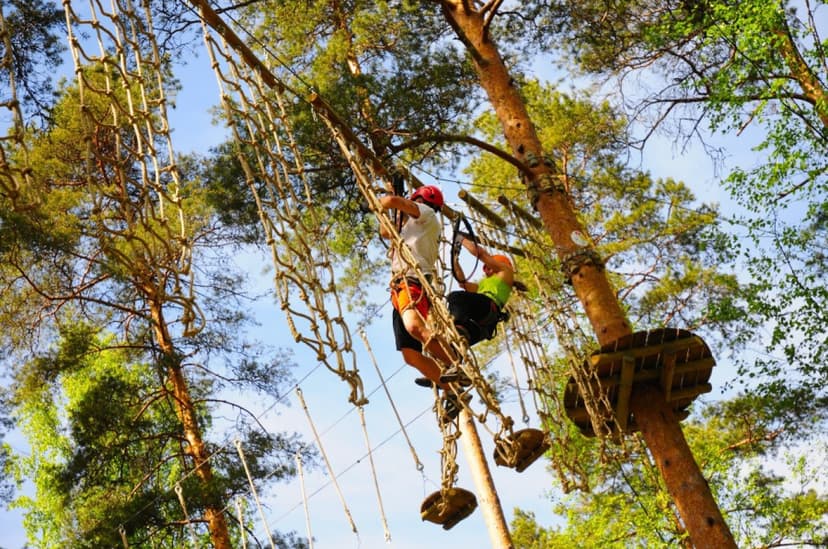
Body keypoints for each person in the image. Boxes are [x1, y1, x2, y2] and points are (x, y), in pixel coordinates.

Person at [378, 185, 456, 388]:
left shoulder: (428, 214)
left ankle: (454, 363)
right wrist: (385, 207)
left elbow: (397, 202)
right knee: (411, 355)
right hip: (398, 287)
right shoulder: (411, 226)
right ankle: (451, 389)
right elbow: (386, 231)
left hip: (412, 279)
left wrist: (381, 201)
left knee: (414, 326)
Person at [447, 234, 514, 346]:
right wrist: (455, 260)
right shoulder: (483, 285)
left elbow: (481, 254)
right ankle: (456, 343)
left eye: (488, 266)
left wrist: (461, 239)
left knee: (455, 297)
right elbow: (463, 283)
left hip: (488, 306)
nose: (485, 270)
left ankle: (456, 324)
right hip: (486, 323)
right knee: (456, 346)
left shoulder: (505, 271)